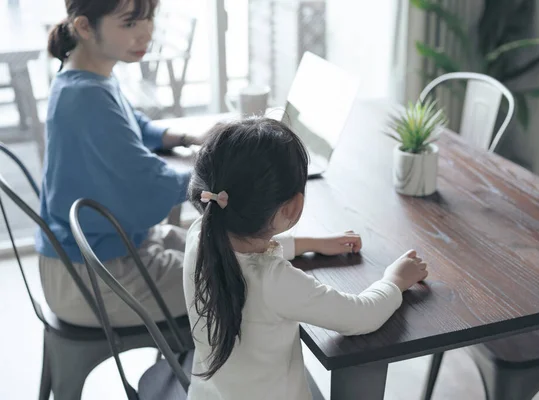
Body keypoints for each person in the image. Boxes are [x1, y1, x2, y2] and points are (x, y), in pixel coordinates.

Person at [183, 118, 429, 399]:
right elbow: (361, 316)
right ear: (295, 206)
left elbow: (248, 249)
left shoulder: (200, 235)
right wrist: (395, 280)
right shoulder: (275, 282)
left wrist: (311, 244)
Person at [37, 0, 206, 327]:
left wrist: (184, 137)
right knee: (242, 281)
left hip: (95, 254)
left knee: (230, 254)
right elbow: (150, 185)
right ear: (85, 27)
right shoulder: (85, 95)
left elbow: (134, 125)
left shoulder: (83, 76)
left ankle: (192, 367)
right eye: (130, 24)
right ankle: (201, 374)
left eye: (149, 19)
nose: (146, 34)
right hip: (92, 276)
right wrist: (223, 170)